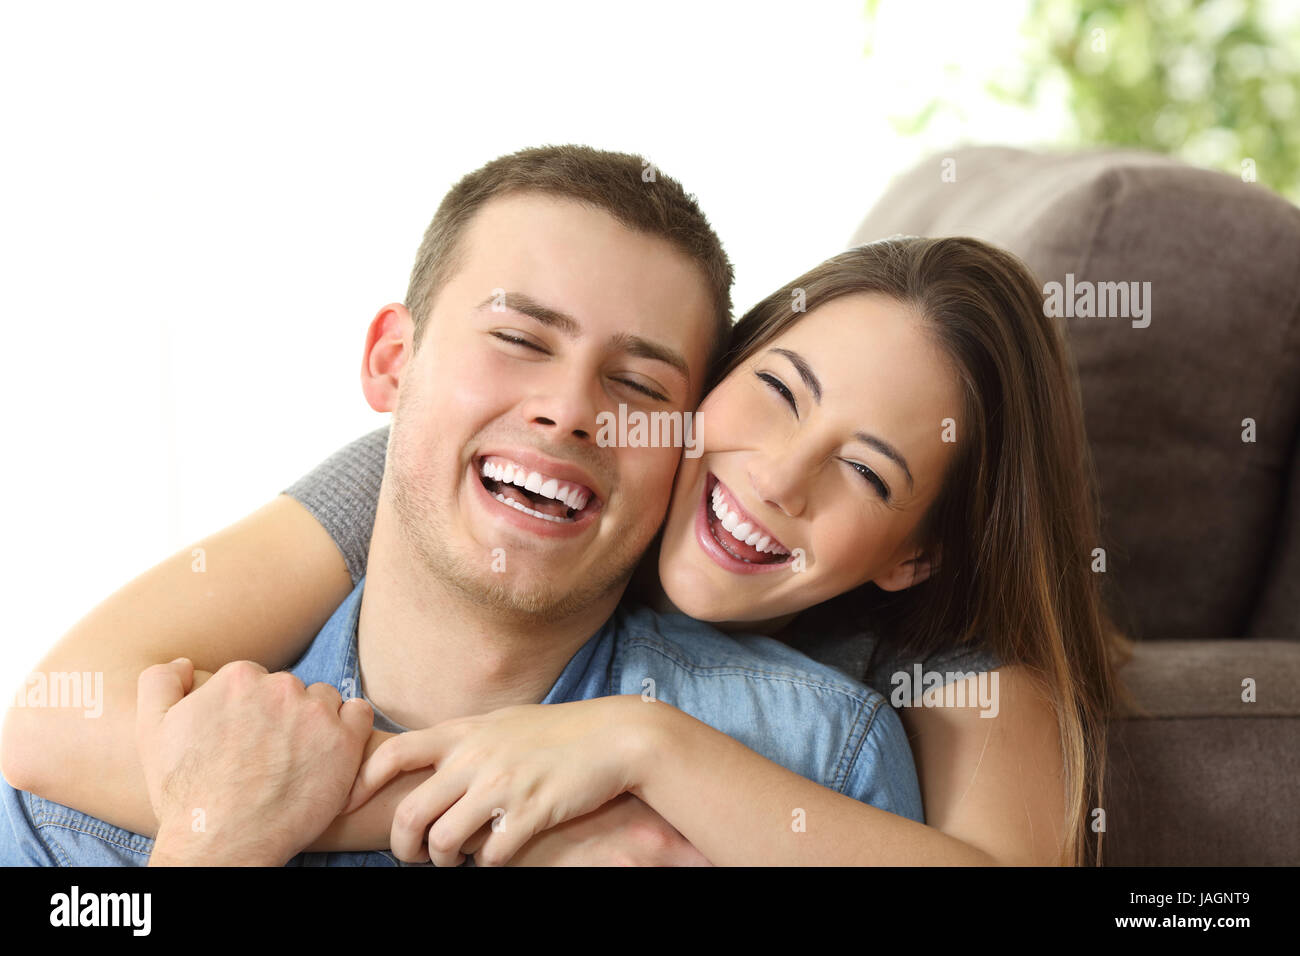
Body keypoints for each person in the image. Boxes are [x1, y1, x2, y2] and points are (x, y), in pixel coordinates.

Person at [0, 144, 926, 867]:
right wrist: (214, 842)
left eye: (640, 385)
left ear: (683, 449)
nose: (568, 410)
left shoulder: (814, 764)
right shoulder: (111, 777)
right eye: (519, 338)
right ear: (392, 364)